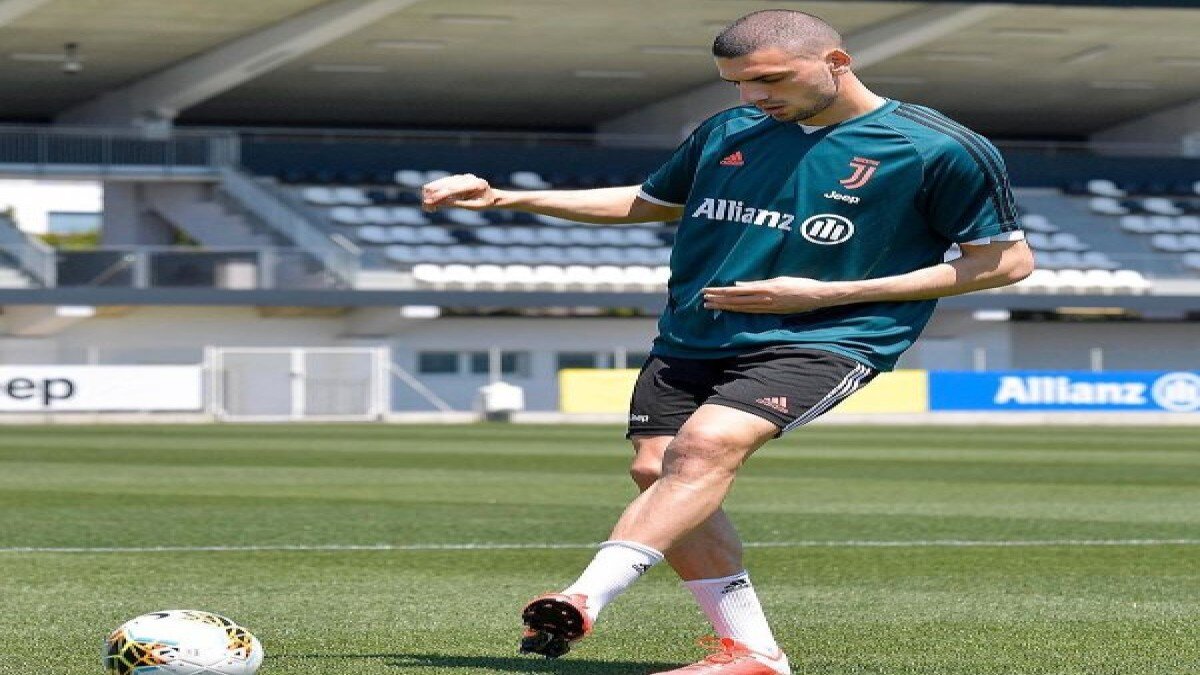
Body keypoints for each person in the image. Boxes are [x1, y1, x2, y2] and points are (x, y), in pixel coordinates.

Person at [422, 9, 1035, 675]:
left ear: (837, 62)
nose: (753, 95)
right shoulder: (730, 129)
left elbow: (1005, 262)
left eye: (770, 79)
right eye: (737, 82)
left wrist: (826, 293)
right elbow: (652, 201)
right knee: (657, 472)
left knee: (706, 445)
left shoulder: (936, 147)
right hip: (694, 332)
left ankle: (585, 595)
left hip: (827, 332)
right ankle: (752, 652)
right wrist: (505, 199)